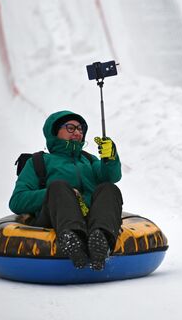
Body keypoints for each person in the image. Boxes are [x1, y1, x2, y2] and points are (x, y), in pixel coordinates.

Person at [9, 110, 123, 270]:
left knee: (109, 188)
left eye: (80, 128)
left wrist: (111, 158)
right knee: (59, 187)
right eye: (70, 128)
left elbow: (112, 176)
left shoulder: (89, 160)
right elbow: (17, 201)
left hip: (91, 218)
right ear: (55, 131)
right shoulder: (39, 162)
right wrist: (57, 194)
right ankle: (72, 240)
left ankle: (100, 240)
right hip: (54, 220)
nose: (77, 132)